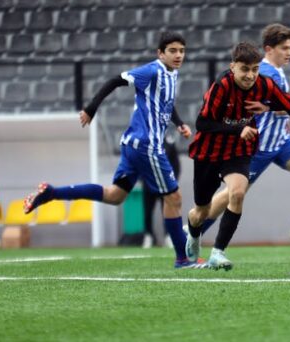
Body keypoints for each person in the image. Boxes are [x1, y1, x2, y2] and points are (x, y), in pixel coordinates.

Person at [23, 32, 195, 267]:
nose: (178, 55)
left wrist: (179, 123)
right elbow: (116, 80)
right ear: (160, 53)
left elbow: (165, 103)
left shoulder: (172, 75)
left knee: (115, 195)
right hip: (146, 146)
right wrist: (91, 108)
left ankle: (52, 193)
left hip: (132, 144)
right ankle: (182, 258)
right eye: (173, 51)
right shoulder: (152, 71)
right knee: (173, 197)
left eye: (181, 51)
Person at [187, 24, 290, 250]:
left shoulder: (274, 71)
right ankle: (194, 229)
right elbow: (276, 108)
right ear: (269, 49)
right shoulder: (263, 72)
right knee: (232, 195)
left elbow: (283, 107)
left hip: (281, 141)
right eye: (284, 48)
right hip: (259, 145)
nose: (289, 52)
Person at [142, 137, 180, 249]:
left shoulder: (169, 143)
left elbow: (176, 165)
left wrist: (172, 182)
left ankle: (168, 236)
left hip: (165, 185)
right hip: (149, 185)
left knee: (167, 211)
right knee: (147, 212)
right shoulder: (145, 143)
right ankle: (148, 236)